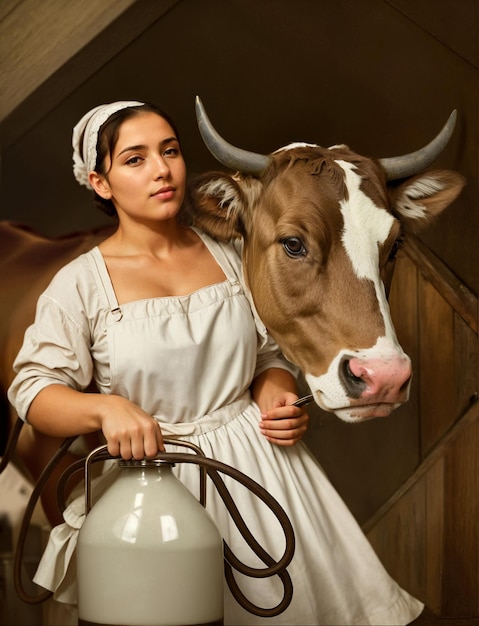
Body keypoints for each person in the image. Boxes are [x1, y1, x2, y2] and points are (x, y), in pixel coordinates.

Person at [8, 100, 424, 625]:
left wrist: (274, 392)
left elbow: (269, 353)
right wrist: (105, 411)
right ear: (100, 182)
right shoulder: (81, 284)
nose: (162, 169)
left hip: (265, 475)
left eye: (171, 151)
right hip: (152, 488)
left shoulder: (232, 253)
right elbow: (33, 391)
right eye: (135, 159)